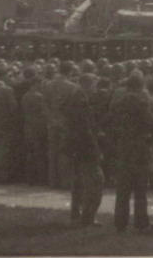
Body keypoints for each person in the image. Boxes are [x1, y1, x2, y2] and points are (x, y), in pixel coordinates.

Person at [109, 71, 153, 233]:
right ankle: (141, 223)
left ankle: (120, 223)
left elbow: (110, 122)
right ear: (140, 85)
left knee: (122, 189)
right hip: (139, 147)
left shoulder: (119, 103)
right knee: (140, 190)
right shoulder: (141, 103)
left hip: (123, 146)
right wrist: (150, 140)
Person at [66, 80, 104, 227]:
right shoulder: (82, 104)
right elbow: (86, 132)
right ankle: (88, 217)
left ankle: (77, 214)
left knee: (79, 182)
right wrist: (97, 150)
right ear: (87, 86)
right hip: (86, 149)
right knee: (95, 182)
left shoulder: (74, 101)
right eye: (94, 85)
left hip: (76, 148)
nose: (95, 89)